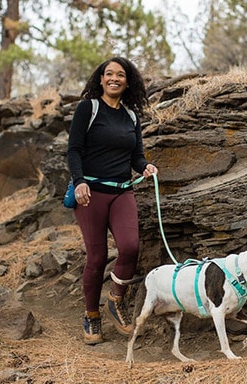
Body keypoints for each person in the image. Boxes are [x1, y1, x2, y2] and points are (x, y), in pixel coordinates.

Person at [67, 57, 158, 345]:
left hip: (122, 191)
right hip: (90, 194)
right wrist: (79, 181)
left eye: (120, 75)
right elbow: (73, 151)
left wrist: (145, 167)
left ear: (128, 82)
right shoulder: (88, 109)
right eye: (109, 74)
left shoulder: (131, 117)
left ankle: (115, 299)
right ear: (101, 78)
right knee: (96, 258)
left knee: (130, 247)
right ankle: (91, 316)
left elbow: (136, 156)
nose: (114, 78)